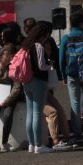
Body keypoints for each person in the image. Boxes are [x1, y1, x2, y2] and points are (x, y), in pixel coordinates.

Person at [59, 11, 83, 145]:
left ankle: (78, 133)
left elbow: (61, 58)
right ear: (82, 22)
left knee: (75, 103)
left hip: (72, 73)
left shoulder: (65, 38)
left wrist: (63, 75)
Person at [21, 23, 55, 154]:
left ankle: (31, 144)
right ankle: (39, 145)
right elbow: (41, 66)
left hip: (27, 81)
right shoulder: (38, 46)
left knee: (30, 113)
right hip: (38, 81)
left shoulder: (26, 45)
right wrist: (50, 64)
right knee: (37, 113)